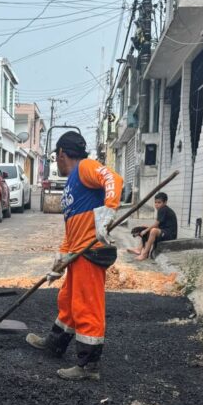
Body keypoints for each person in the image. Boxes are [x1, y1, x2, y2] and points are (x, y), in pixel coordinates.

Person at [26, 131, 122, 381]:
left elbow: (113, 178)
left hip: (91, 252)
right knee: (67, 300)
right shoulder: (71, 182)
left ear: (61, 154)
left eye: (56, 157)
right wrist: (61, 259)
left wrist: (109, 211)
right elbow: (73, 227)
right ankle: (55, 345)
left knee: (87, 307)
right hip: (77, 253)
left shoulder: (85, 167)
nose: (56, 161)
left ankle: (89, 366)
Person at [128, 192, 177, 260]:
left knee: (153, 231)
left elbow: (156, 224)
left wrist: (146, 230)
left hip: (170, 234)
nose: (156, 205)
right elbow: (158, 225)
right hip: (164, 231)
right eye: (155, 202)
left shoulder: (163, 209)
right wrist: (146, 228)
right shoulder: (162, 209)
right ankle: (139, 249)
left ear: (165, 202)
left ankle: (144, 254)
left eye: (159, 202)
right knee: (146, 228)